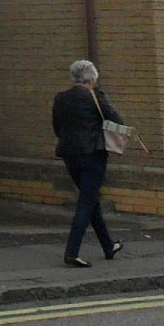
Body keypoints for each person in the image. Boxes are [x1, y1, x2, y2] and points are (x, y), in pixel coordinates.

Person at [51, 59, 126, 267]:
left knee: (91, 199)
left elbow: (57, 127)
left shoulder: (60, 98)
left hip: (69, 154)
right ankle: (72, 252)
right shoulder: (95, 97)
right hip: (93, 155)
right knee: (86, 200)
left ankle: (108, 246)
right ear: (92, 79)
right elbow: (117, 120)